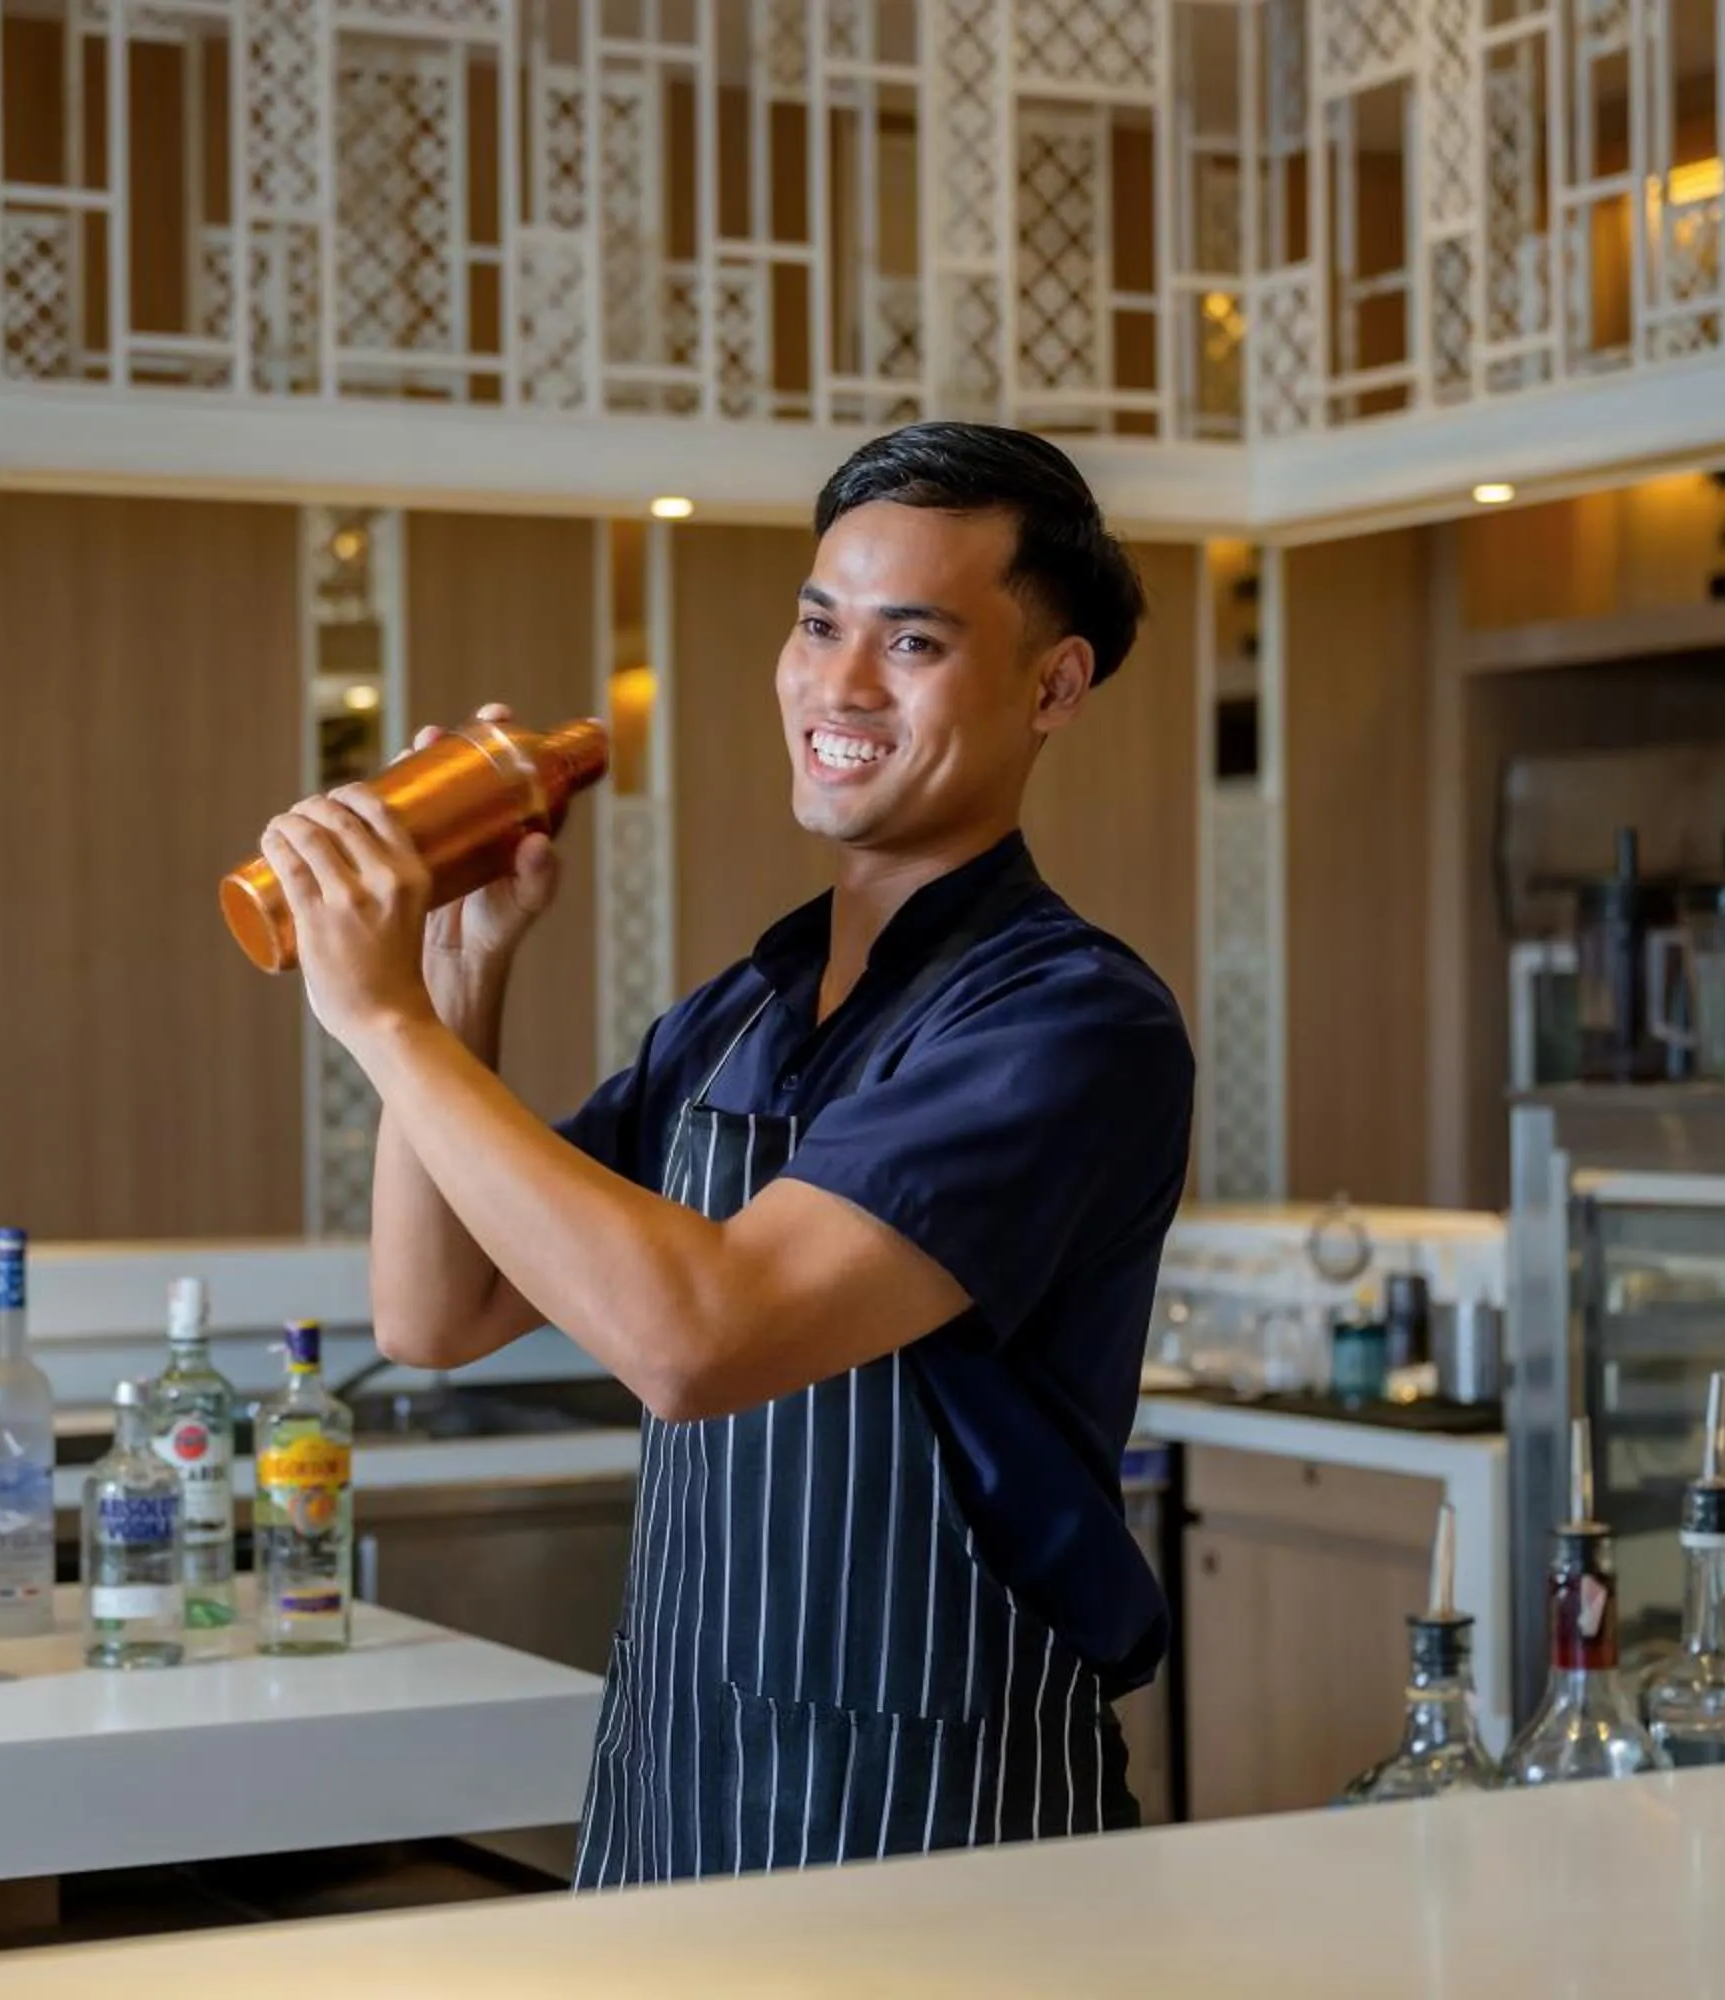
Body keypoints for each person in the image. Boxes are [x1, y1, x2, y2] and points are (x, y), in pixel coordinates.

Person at [256, 421, 1196, 1886]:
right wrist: (453, 986)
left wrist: (381, 1025)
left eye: (913, 642)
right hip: (677, 1785)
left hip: (938, 1821)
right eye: (819, 625)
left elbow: (700, 1339)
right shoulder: (740, 1012)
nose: (841, 683)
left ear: (1054, 685)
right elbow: (437, 1312)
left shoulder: (1064, 1021)